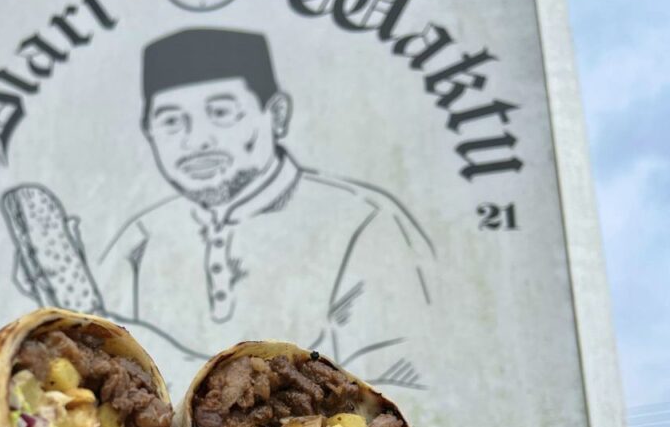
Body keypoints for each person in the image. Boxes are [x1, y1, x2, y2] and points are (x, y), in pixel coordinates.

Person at [93, 27, 435, 392]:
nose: (196, 140)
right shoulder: (139, 237)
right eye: (171, 120)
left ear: (277, 114)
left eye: (221, 112)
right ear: (149, 131)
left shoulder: (364, 223)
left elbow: (401, 390)